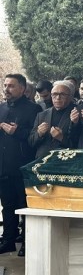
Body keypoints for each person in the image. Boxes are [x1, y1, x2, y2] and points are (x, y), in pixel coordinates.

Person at [0, 74, 42, 256]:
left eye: (11, 86)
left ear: (23, 88)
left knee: (24, 206)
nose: (6, 89)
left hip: (22, 165)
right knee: (7, 205)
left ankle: (27, 241)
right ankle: (8, 240)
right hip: (3, 165)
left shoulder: (33, 109)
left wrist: (17, 132)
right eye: (5, 85)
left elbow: (35, 137)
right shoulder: (1, 107)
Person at [28, 80, 75, 158]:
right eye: (54, 94)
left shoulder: (77, 113)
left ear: (70, 96)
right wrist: (39, 133)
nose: (58, 98)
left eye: (62, 94)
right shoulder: (42, 115)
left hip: (66, 161)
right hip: (42, 160)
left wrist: (61, 138)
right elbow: (31, 142)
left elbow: (80, 144)